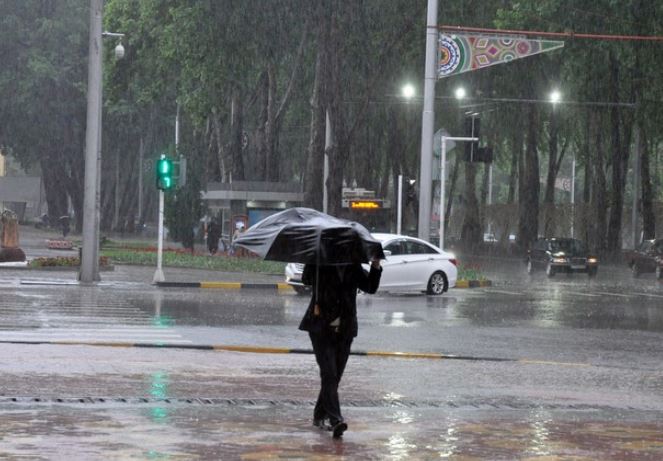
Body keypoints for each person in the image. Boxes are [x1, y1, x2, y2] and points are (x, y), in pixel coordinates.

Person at [299, 257, 382, 439]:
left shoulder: (354, 265)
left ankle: (319, 415)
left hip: (345, 329)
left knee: (335, 376)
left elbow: (370, 287)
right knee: (329, 373)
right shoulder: (320, 260)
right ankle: (335, 420)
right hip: (320, 327)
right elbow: (306, 279)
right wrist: (313, 260)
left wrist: (375, 266)